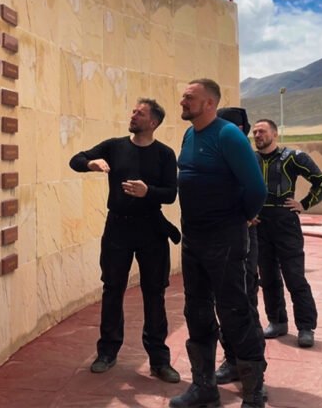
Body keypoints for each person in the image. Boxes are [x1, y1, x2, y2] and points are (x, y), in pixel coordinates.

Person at [69, 99, 181, 383]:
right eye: (133, 111)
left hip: (151, 231)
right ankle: (107, 352)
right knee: (112, 289)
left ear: (153, 122)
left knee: (154, 293)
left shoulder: (165, 154)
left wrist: (148, 192)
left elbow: (169, 194)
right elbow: (75, 160)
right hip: (117, 229)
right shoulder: (114, 146)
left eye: (139, 113)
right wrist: (90, 163)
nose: (133, 116)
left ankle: (159, 360)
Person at [171, 80, 268, 408]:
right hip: (193, 240)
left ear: (209, 102)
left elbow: (256, 187)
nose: (182, 101)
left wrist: (243, 217)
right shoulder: (189, 134)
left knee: (235, 311)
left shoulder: (228, 135)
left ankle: (254, 394)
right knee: (196, 310)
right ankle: (203, 386)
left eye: (189, 97)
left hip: (225, 240)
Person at [251, 118, 322, 348]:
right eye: (255, 132)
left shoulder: (294, 157)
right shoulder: (251, 159)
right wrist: (248, 212)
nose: (258, 135)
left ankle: (306, 327)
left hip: (286, 223)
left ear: (274, 134)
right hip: (259, 224)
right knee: (267, 277)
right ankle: (277, 322)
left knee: (294, 276)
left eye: (262, 131)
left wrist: (304, 204)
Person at [213, 107, 260, 386]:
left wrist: (246, 213)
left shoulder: (248, 158)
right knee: (224, 304)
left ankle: (252, 372)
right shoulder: (215, 157)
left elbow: (257, 192)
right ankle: (231, 360)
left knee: (244, 303)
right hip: (218, 239)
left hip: (243, 236)